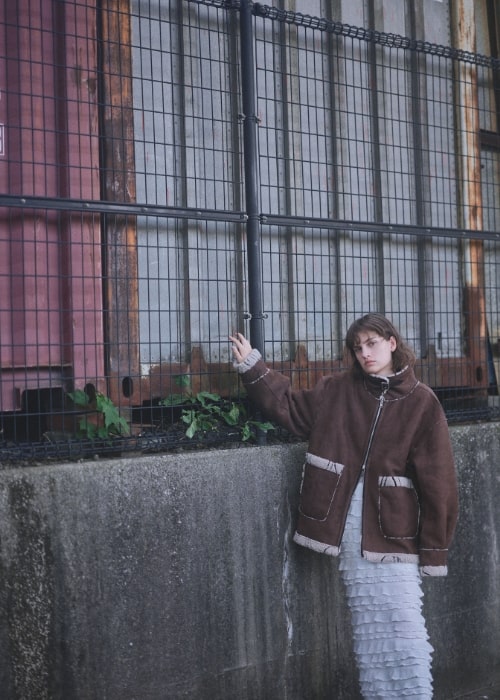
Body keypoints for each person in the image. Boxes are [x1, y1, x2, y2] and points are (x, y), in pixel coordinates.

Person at [230, 313, 458, 699]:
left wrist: (435, 549)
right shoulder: (336, 390)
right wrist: (254, 366)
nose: (364, 353)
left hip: (394, 532)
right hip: (349, 529)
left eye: (372, 343)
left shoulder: (422, 402)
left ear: (392, 343)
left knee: (404, 626)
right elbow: (290, 407)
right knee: (369, 630)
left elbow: (440, 484)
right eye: (357, 347)